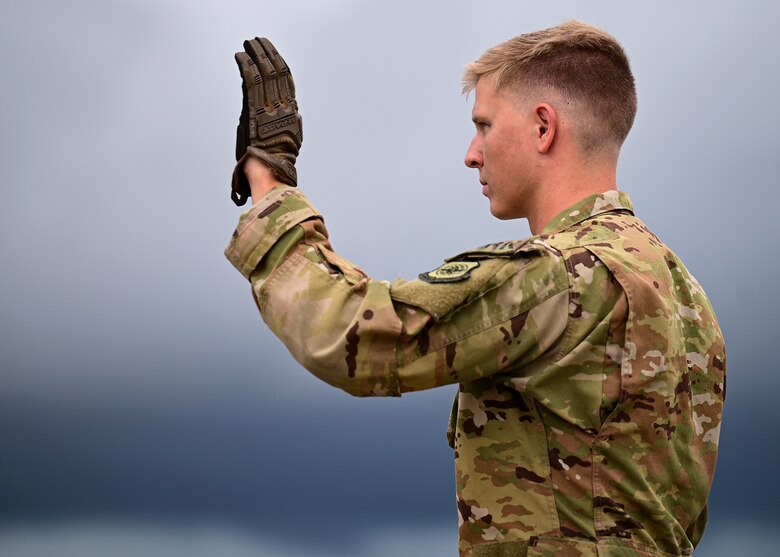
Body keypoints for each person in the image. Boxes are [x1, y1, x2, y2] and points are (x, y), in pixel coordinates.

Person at [225, 21, 726, 557]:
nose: (471, 153)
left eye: (484, 125)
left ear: (542, 127)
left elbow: (355, 337)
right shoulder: (688, 298)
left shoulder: (558, 275)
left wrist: (269, 183)